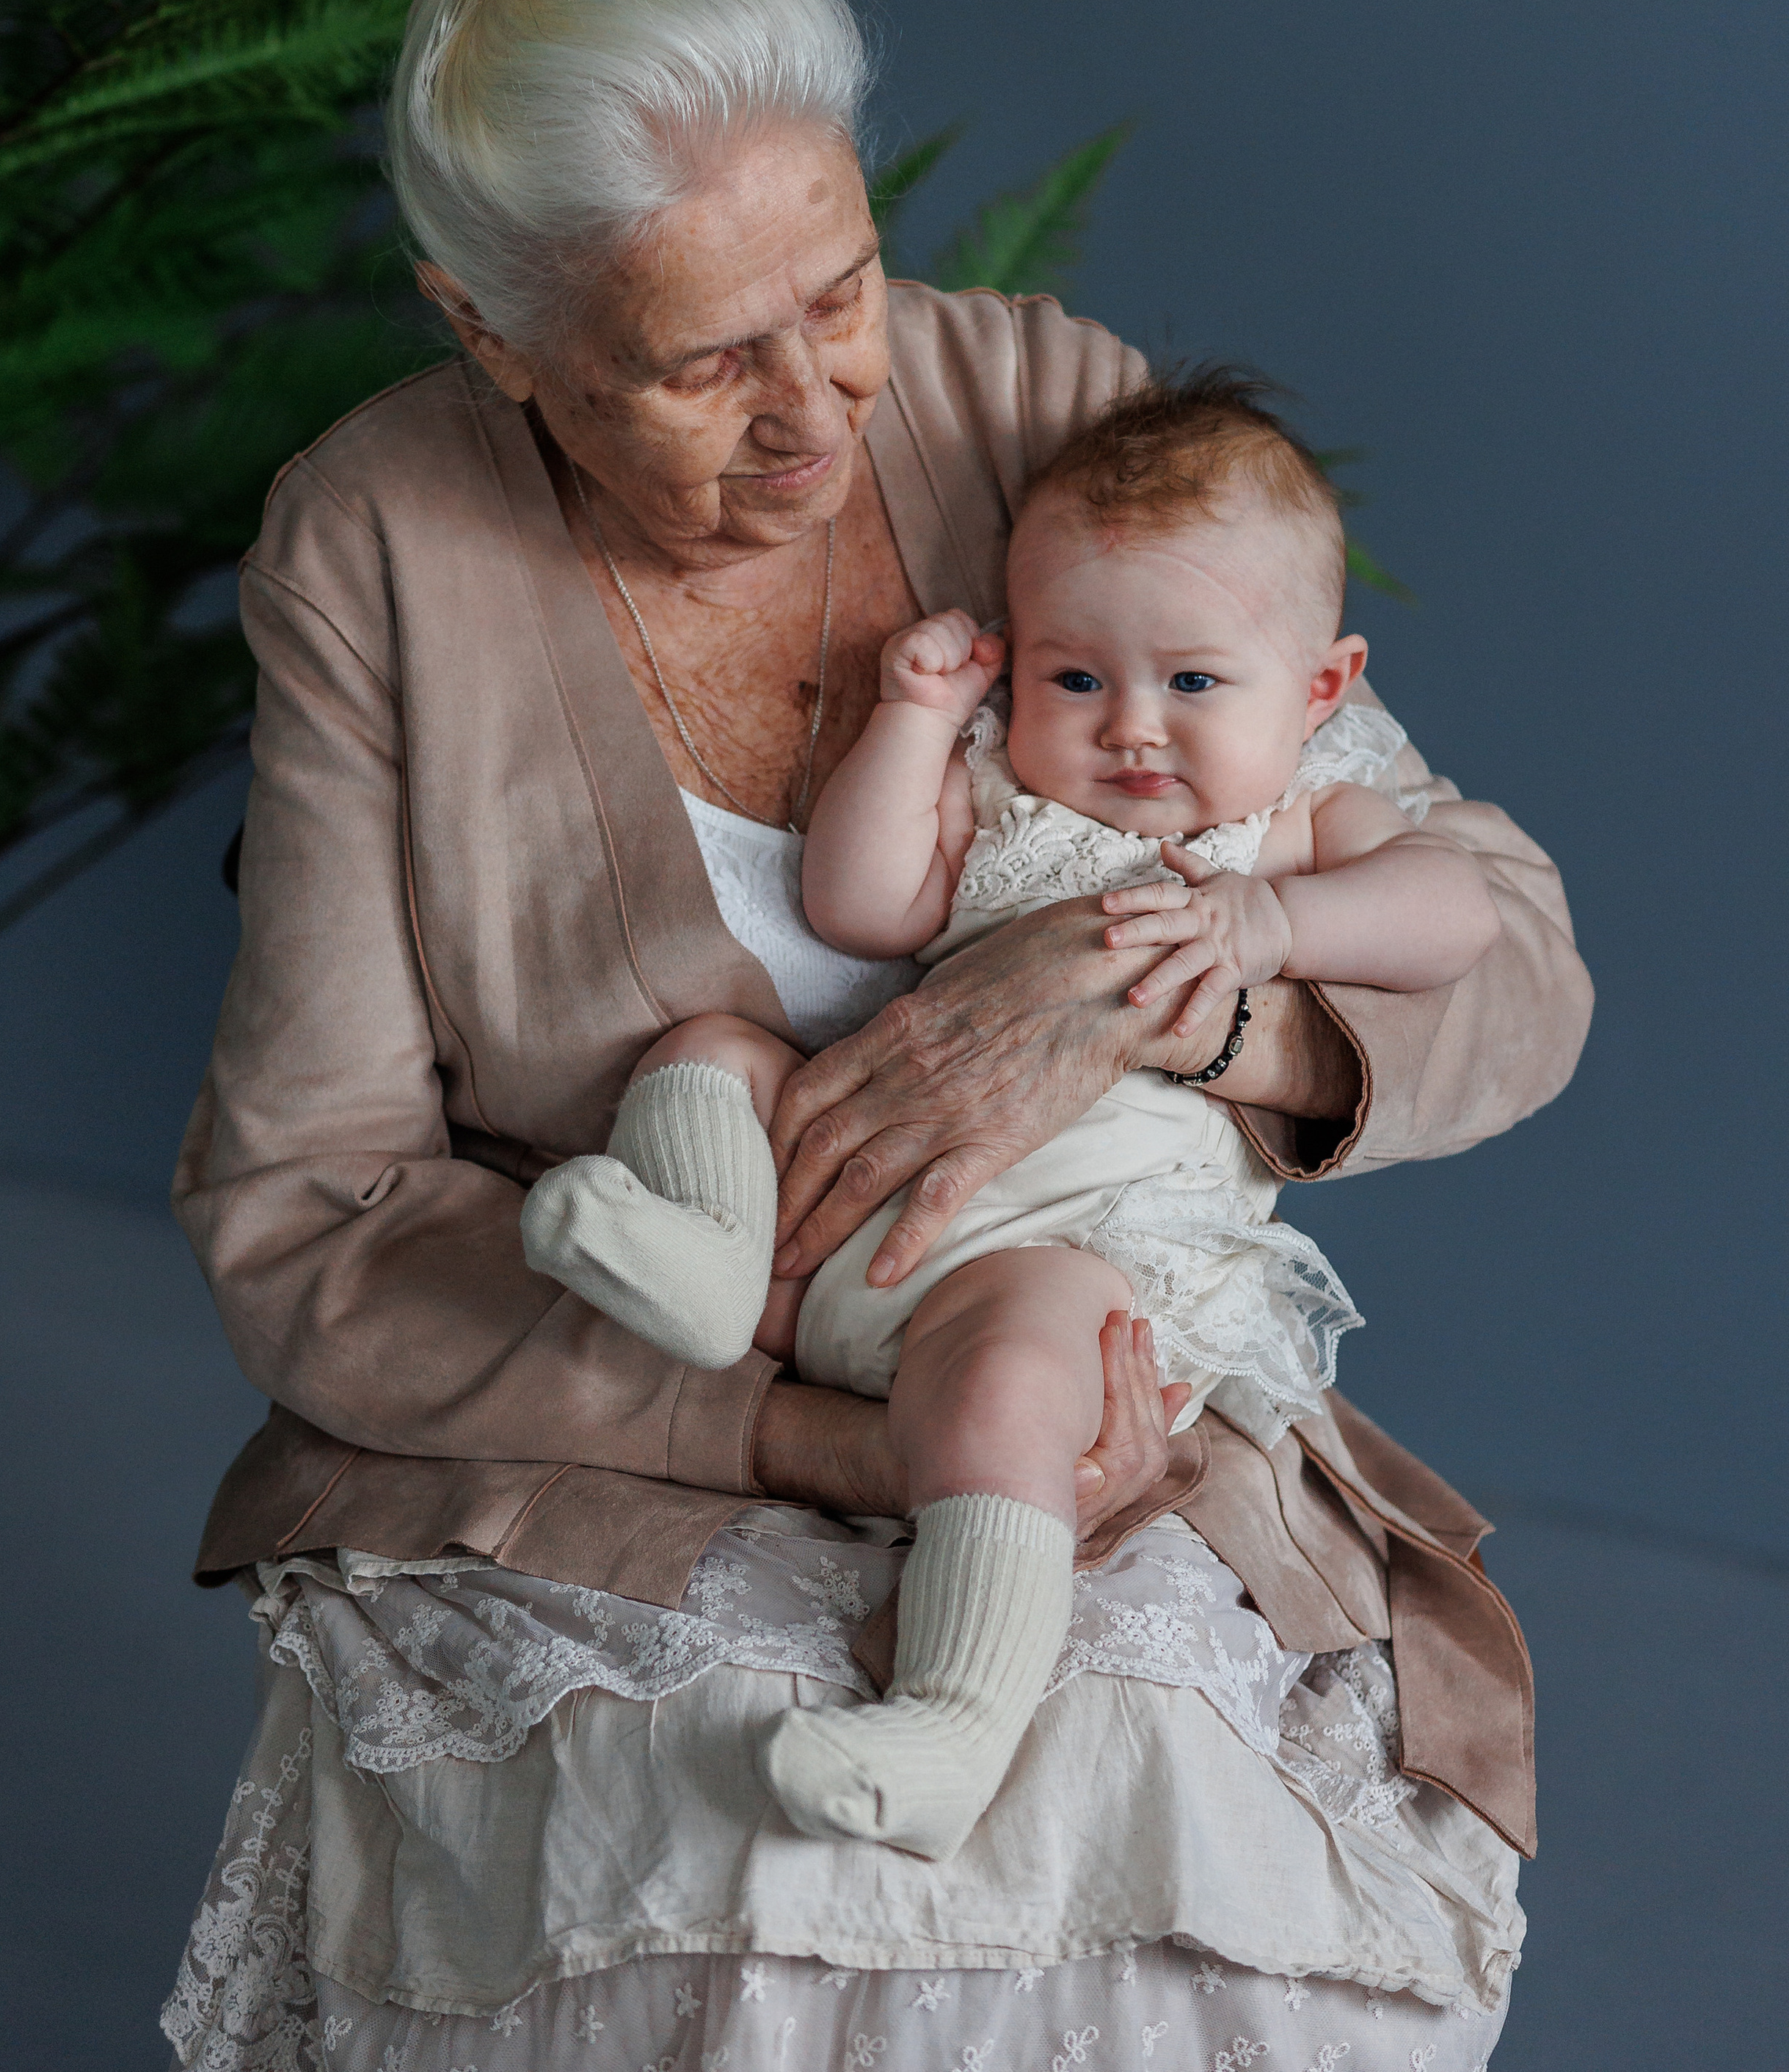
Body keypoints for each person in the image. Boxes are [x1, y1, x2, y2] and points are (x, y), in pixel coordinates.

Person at [163, 0, 1592, 2072]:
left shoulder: (1041, 415)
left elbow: (1505, 956)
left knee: (1142, 1790)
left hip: (1063, 1357)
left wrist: (1156, 1001)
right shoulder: (377, 542)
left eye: (840, 294)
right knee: (733, 1842)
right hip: (621, 1410)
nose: (818, 400)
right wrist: (807, 1435)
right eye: (698, 358)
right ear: (495, 336)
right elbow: (313, 1213)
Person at [520, 368, 1502, 1864]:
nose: (1129, 730)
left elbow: (1457, 917)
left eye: (1191, 682)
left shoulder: (1292, 827)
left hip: (1057, 1258)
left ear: (1316, 689)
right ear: (1013, 667)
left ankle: (950, 1727)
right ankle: (709, 1260)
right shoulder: (995, 788)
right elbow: (859, 903)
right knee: (712, 1042)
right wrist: (914, 727)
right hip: (831, 1226)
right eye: (1071, 676)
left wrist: (1273, 929)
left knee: (1004, 1395)